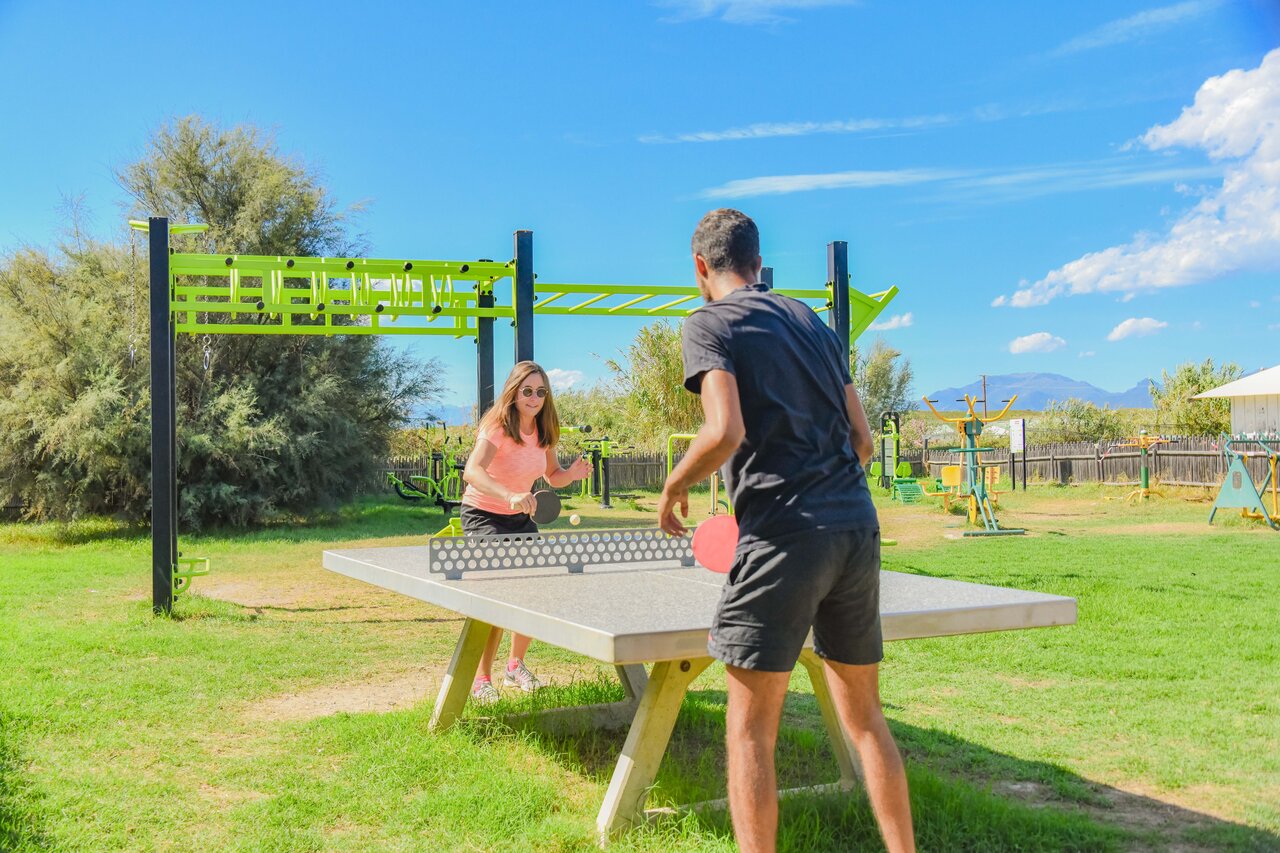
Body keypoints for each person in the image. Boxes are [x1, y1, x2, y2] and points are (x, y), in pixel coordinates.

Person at [658, 209, 915, 853]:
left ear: (700, 268)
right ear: (756, 259)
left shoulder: (707, 323)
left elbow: (724, 431)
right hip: (856, 527)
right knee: (864, 718)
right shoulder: (814, 323)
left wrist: (674, 484)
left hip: (783, 536)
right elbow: (861, 441)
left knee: (750, 732)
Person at [461, 361, 593, 705]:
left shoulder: (545, 429)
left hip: (521, 517)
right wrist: (508, 495)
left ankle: (515, 665)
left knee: (532, 593)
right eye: (527, 391)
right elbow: (472, 472)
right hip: (484, 515)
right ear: (514, 391)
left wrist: (573, 473)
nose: (534, 397)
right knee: (496, 598)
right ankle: (480, 679)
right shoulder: (497, 426)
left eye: (541, 391)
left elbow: (553, 476)